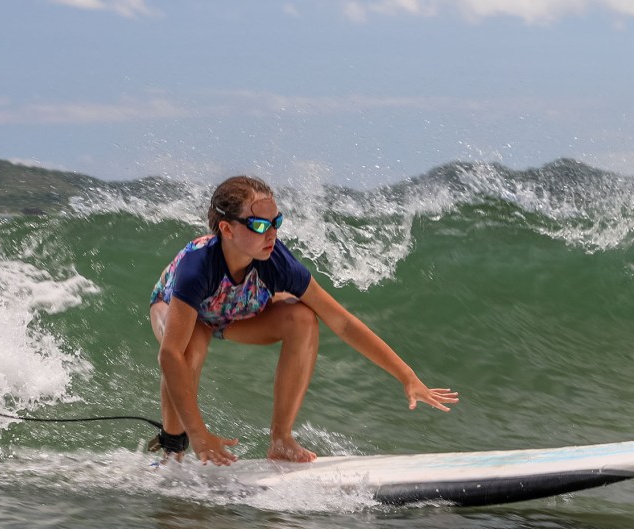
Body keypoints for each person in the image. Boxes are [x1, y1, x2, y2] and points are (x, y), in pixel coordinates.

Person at [149, 175, 458, 465]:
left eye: (276, 222)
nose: (272, 233)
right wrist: (199, 433)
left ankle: (281, 440)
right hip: (179, 308)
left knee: (302, 317)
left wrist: (407, 376)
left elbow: (342, 322)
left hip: (235, 312)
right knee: (189, 350)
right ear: (227, 230)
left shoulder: (276, 261)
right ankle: (173, 448)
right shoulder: (198, 266)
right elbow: (169, 354)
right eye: (260, 225)